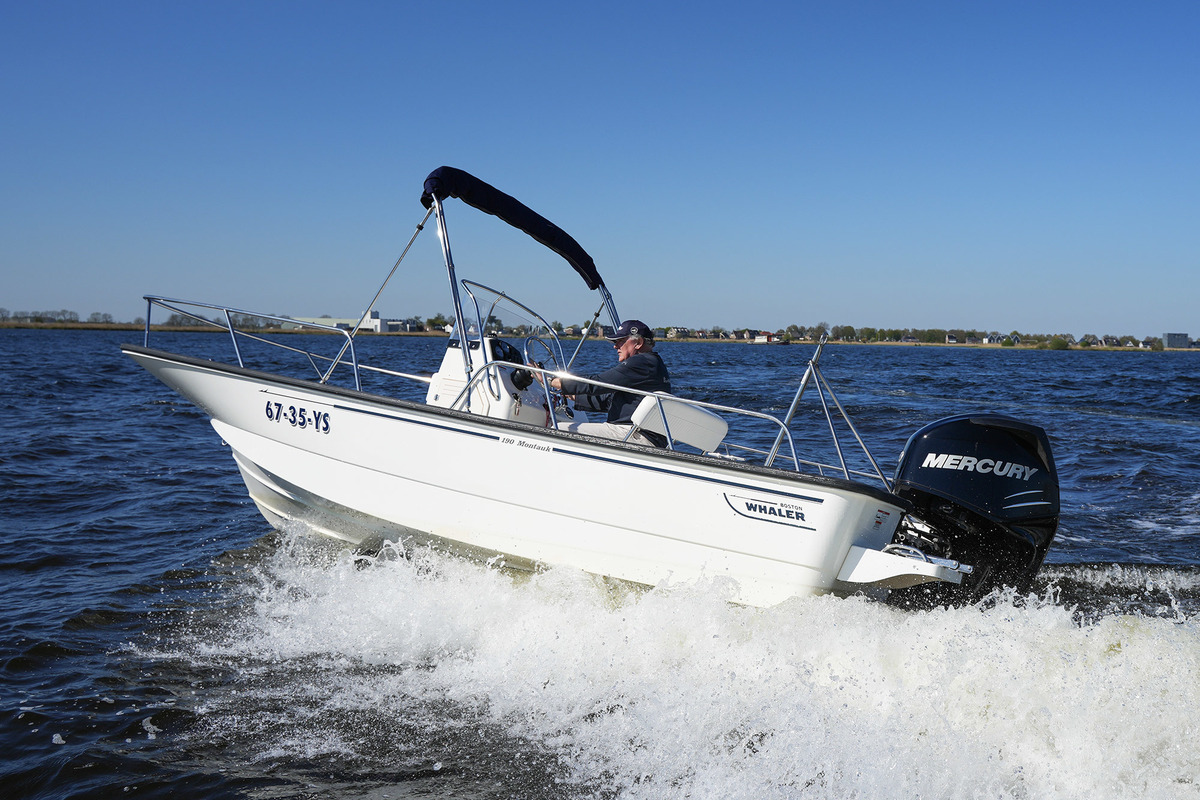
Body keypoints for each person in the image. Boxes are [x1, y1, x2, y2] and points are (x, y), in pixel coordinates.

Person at [540, 320, 672, 446]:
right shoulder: (653, 363)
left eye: (620, 341)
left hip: (636, 435)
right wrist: (571, 395)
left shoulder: (642, 362)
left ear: (638, 343)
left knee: (558, 429)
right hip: (643, 435)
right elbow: (608, 401)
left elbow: (598, 383)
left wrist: (549, 381)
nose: (615, 346)